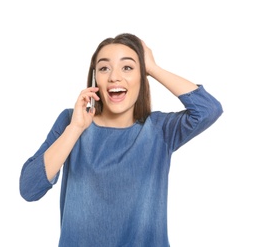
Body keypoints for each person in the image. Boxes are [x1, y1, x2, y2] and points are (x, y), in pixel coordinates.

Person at [19, 33, 223, 247]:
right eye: (104, 68)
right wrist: (76, 128)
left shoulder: (160, 129)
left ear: (141, 76)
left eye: (127, 67)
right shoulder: (70, 122)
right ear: (94, 78)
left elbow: (208, 109)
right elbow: (29, 189)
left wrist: (153, 68)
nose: (114, 77)